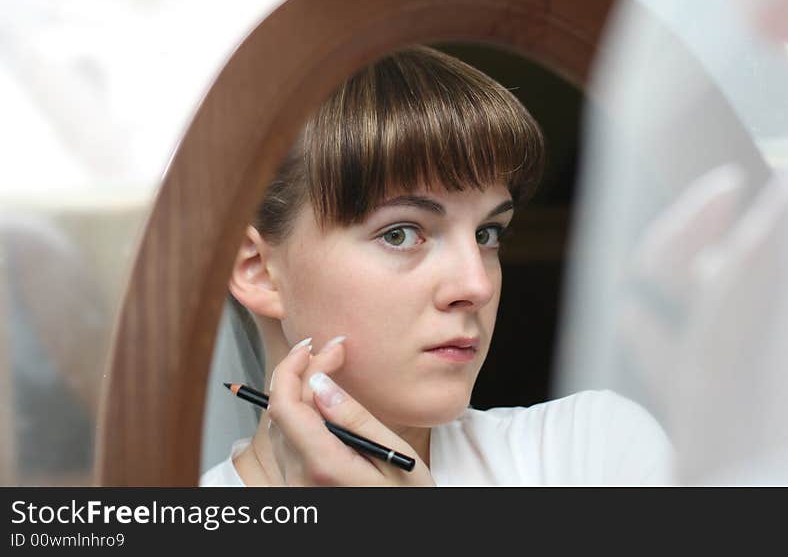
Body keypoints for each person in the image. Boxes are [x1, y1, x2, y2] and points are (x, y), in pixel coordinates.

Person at [199, 45, 672, 486]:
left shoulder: (589, 452)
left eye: (488, 234)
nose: (476, 285)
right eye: (401, 233)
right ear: (258, 270)